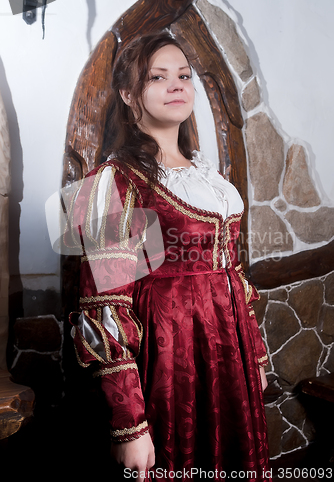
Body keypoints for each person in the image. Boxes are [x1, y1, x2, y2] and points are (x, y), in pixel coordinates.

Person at [67, 32, 271, 482]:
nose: (176, 85)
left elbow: (232, 274)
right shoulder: (116, 182)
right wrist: (129, 425)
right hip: (170, 359)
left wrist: (252, 355)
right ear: (128, 93)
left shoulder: (208, 177)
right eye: (158, 77)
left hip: (227, 353)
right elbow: (105, 306)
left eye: (183, 75)